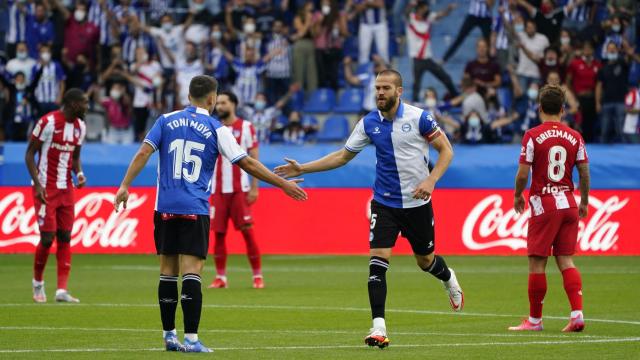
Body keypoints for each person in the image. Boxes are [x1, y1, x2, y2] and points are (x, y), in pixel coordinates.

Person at [113, 75, 306, 353]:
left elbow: (144, 152)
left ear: (189, 95)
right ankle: (191, 339)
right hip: (195, 207)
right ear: (213, 99)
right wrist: (283, 184)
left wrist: (125, 185)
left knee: (167, 272)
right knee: (192, 272)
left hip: (164, 206)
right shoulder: (217, 128)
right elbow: (248, 163)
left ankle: (169, 336)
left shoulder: (165, 120)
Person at [275, 69, 463, 348]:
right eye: (377, 88)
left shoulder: (419, 118)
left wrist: (431, 180)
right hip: (384, 203)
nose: (380, 93)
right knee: (377, 263)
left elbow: (446, 150)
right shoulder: (368, 123)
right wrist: (303, 167)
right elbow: (342, 156)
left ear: (399, 91)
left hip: (417, 202)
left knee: (425, 261)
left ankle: (448, 278)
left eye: (386, 88)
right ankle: (378, 328)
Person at [510, 84, 589, 332]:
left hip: (544, 204)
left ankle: (534, 321)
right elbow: (584, 171)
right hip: (569, 203)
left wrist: (517, 195)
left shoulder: (532, 135)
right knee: (565, 259)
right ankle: (577, 314)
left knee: (537, 263)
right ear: (563, 110)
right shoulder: (575, 136)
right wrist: (584, 200)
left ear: (539, 108)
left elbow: (523, 173)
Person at [25, 88, 89, 304]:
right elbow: (29, 154)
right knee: (47, 237)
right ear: (73, 105)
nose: (88, 107)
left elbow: (75, 157)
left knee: (65, 236)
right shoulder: (48, 122)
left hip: (66, 189)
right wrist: (38, 184)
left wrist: (79, 173)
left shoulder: (81, 127)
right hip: (46, 189)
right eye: (85, 103)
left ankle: (62, 290)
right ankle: (38, 283)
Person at [208, 91, 264, 289]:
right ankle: (220, 277)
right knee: (219, 234)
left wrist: (255, 187)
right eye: (218, 103)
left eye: (223, 103)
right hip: (218, 190)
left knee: (247, 232)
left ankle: (257, 276)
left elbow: (254, 159)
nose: (220, 106)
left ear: (233, 104)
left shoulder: (247, 127)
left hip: (240, 188)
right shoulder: (212, 126)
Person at [405, 1, 459, 101]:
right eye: (425, 9)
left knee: (446, 78)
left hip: (428, 58)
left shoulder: (428, 18)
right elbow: (406, 12)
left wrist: (449, 8)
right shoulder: (411, 18)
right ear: (419, 9)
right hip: (416, 60)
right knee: (416, 85)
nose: (427, 11)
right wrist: (411, 4)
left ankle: (456, 98)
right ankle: (415, 107)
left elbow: (440, 15)